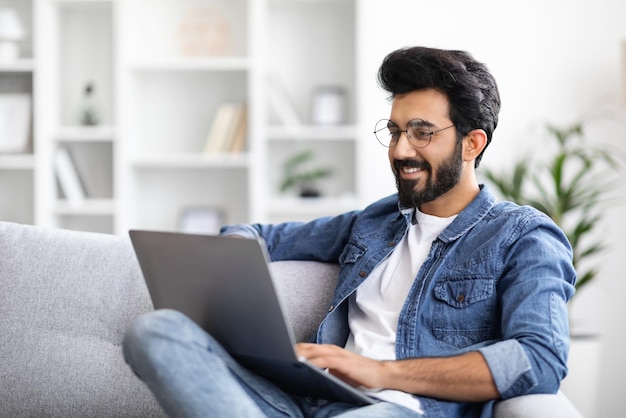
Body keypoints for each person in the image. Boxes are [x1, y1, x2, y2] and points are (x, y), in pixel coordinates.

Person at [123, 46, 576, 418]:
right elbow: (257, 235)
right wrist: (228, 265)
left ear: (472, 143)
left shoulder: (524, 236)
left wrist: (382, 373)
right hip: (310, 404)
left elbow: (539, 360)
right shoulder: (375, 221)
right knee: (155, 331)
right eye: (395, 131)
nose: (401, 150)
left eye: (422, 133)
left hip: (408, 409)